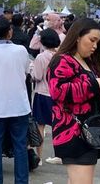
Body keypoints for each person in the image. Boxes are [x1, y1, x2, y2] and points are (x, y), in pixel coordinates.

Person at [48, 17, 100, 184]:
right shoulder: (62, 60)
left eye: (98, 42)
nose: (95, 46)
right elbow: (58, 91)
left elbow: (92, 97)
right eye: (92, 40)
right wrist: (94, 85)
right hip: (74, 132)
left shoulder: (88, 62)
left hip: (90, 130)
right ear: (78, 36)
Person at [0, 16, 33, 184]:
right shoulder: (21, 50)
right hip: (19, 104)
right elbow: (26, 73)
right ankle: (21, 180)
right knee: (20, 145)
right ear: (9, 32)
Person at [31, 28, 61, 164]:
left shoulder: (41, 57)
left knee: (40, 127)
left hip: (42, 94)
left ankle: (39, 157)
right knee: (58, 126)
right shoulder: (61, 56)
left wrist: (31, 70)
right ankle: (59, 154)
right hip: (57, 94)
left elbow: (36, 76)